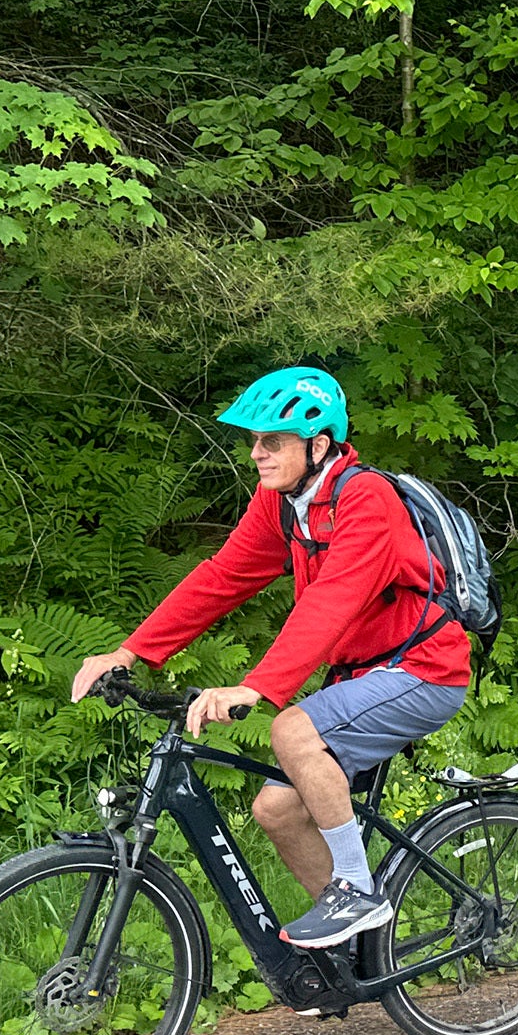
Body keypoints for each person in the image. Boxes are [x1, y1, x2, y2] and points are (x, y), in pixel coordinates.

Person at [68, 365, 469, 956]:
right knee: (277, 810)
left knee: (293, 729)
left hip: (424, 669)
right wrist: (131, 651)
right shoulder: (282, 501)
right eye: (253, 441)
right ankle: (354, 956)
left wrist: (255, 689)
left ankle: (358, 891)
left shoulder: (366, 498)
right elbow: (223, 577)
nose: (256, 453)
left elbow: (333, 602)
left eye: (271, 441)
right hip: (363, 673)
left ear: (319, 444)